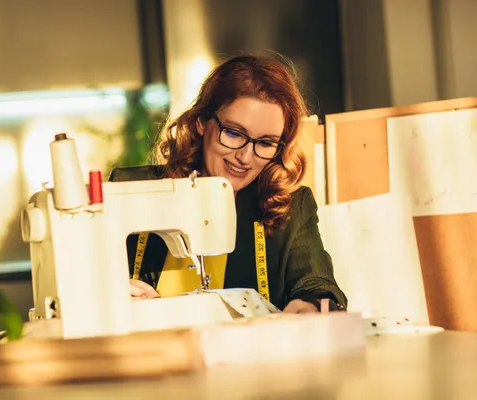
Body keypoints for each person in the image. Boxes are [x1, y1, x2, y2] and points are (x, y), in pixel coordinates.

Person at [109, 54, 347, 313]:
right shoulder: (129, 192)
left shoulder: (291, 206)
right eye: (233, 133)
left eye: (266, 143)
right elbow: (93, 280)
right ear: (201, 123)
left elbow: (319, 285)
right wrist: (119, 295)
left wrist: (310, 306)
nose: (245, 157)